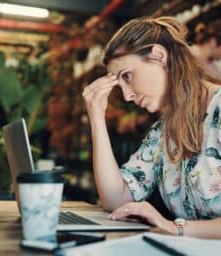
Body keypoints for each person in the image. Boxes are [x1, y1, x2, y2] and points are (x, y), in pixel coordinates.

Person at [82, 16, 221, 239]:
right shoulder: (162, 132)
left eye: (127, 76)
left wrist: (175, 228)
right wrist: (97, 117)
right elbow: (115, 199)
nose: (127, 95)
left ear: (158, 56)